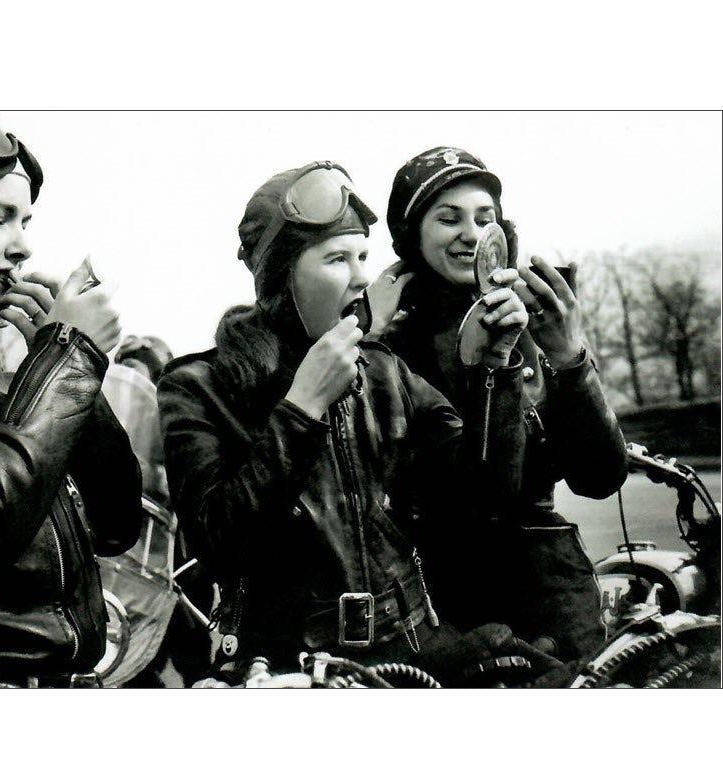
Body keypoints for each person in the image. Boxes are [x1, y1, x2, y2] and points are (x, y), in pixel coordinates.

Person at [158, 161, 555, 686]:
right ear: (282, 272)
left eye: (363, 256)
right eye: (337, 258)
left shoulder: (386, 371)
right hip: (281, 663)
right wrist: (300, 409)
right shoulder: (199, 386)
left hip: (411, 647)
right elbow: (219, 545)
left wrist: (495, 373)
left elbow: (483, 501)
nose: (363, 276)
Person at [368, 146, 628, 661]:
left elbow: (599, 478)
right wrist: (368, 340)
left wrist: (572, 360)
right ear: (410, 237)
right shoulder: (392, 350)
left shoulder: (532, 328)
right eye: (449, 219)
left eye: (484, 218)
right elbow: (469, 500)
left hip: (557, 595)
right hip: (446, 600)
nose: (471, 233)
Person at [0, 114, 142, 687]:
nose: (22, 246)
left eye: (24, 221)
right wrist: (71, 352)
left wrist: (62, 363)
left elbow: (117, 523)